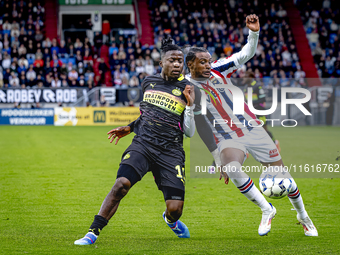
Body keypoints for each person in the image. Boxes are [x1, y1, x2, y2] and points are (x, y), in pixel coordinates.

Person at [185, 14, 317, 237]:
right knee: (231, 167)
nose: (208, 65)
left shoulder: (219, 68)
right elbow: (195, 121)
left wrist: (253, 33)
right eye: (202, 62)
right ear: (190, 65)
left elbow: (247, 53)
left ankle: (303, 216)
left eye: (208, 60)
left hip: (253, 129)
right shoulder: (186, 87)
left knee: (283, 178)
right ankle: (267, 209)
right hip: (227, 136)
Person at [74, 36, 195, 245]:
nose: (177, 64)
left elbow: (190, 132)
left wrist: (192, 106)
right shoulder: (149, 82)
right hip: (143, 145)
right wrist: (130, 127)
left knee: (175, 210)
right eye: (172, 60)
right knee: (121, 184)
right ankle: (92, 232)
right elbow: (149, 113)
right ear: (161, 63)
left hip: (170, 151)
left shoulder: (188, 89)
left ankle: (170, 221)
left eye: (180, 61)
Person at [243, 70, 281, 152]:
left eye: (246, 76)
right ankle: (246, 150)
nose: (244, 77)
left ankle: (275, 143)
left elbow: (263, 98)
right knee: (248, 130)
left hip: (260, 111)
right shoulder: (246, 87)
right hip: (251, 113)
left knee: (264, 131)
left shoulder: (257, 86)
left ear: (250, 77)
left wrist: (251, 104)